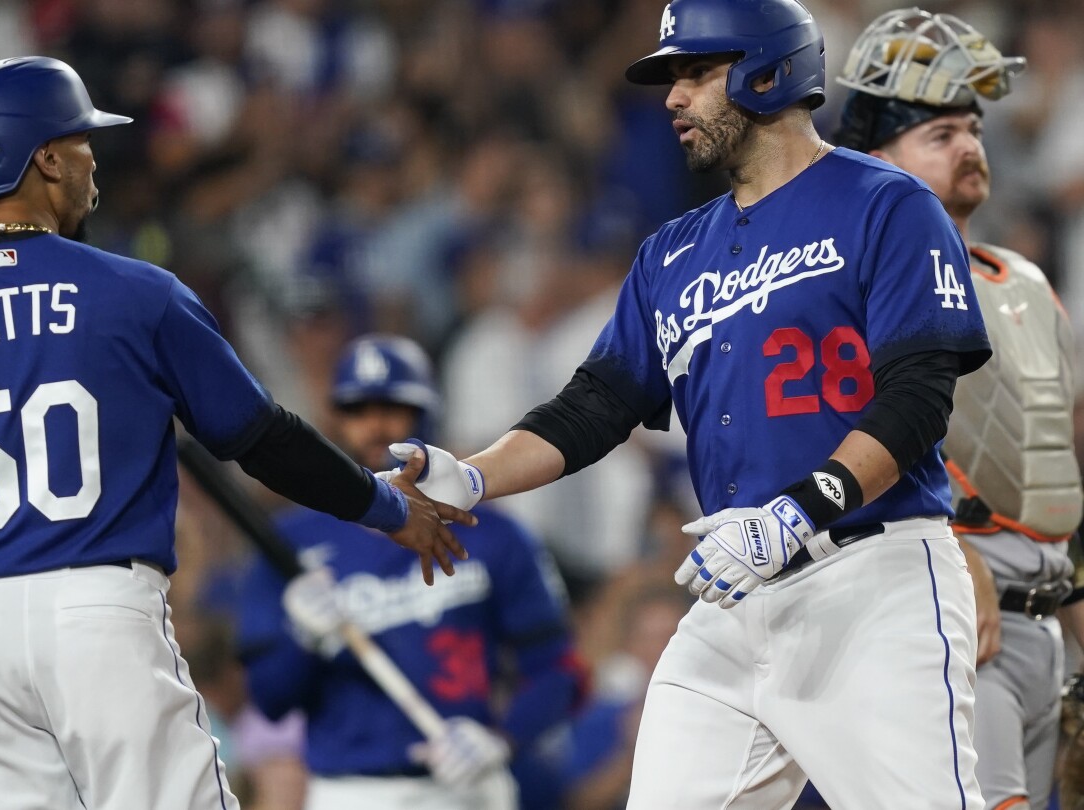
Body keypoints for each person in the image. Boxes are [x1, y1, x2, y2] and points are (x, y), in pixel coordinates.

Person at [0, 56, 473, 810]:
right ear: (47, 161)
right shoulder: (137, 291)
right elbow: (262, 439)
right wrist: (386, 507)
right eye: (82, 142)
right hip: (101, 617)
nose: (95, 161)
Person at [396, 0, 996, 805]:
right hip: (734, 594)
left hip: (872, 580)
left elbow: (919, 398)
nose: (674, 97)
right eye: (672, 78)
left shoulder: (886, 203)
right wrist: (468, 479)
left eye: (695, 72)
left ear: (770, 71)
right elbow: (595, 404)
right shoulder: (673, 251)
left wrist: (796, 512)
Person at [835, 10, 1080, 809]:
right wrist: (945, 553)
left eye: (971, 128)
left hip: (1049, 614)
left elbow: (1059, 462)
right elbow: (845, 439)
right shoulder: (855, 282)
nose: (971, 146)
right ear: (876, 158)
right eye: (939, 133)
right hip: (947, 608)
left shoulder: (1028, 281)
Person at [235, 335, 588, 810]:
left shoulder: (492, 534)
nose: (377, 426)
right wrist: (301, 638)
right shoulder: (289, 544)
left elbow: (560, 671)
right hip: (351, 794)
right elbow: (271, 700)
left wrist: (502, 739)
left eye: (394, 407)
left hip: (468, 785)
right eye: (359, 410)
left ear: (427, 412)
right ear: (335, 421)